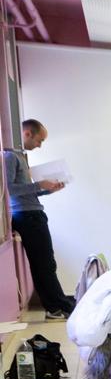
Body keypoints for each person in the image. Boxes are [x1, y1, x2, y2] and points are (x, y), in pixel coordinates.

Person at [3, 118, 73, 318]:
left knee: (46, 262)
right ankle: (56, 306)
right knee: (44, 263)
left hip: (33, 213)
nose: (40, 145)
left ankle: (58, 302)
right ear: (27, 134)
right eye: (39, 140)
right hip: (27, 216)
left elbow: (26, 191)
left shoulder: (19, 156)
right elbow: (10, 190)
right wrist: (39, 185)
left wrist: (48, 189)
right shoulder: (9, 157)